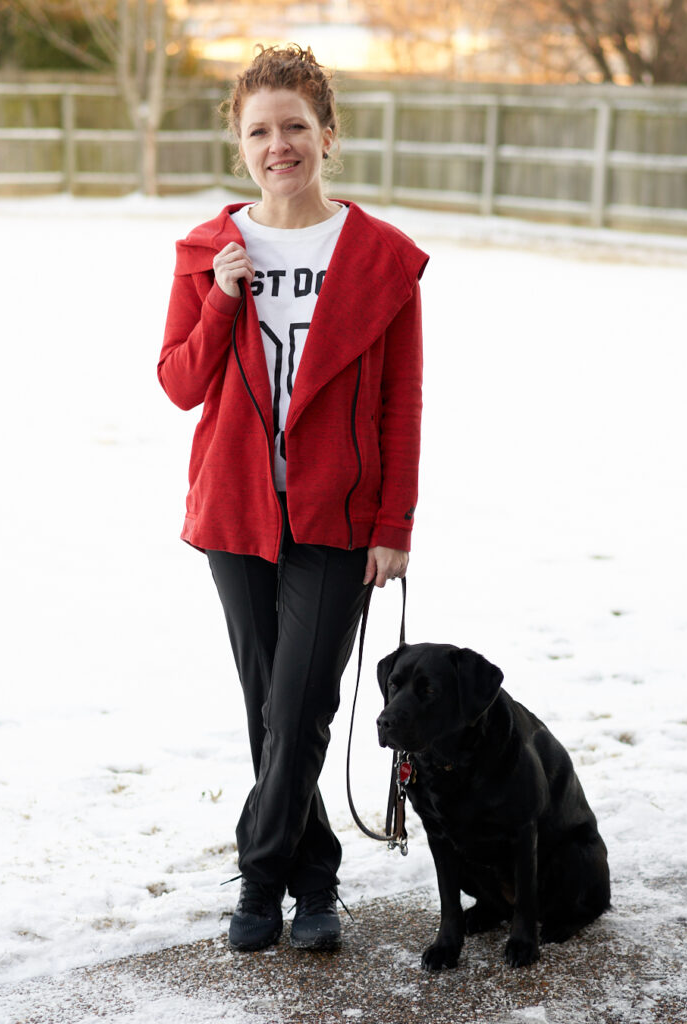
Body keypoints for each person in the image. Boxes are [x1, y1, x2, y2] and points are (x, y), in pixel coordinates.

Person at [157, 44, 427, 955]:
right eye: (260, 130)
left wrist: (395, 524)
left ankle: (260, 875)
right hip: (234, 511)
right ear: (239, 144)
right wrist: (223, 303)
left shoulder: (380, 259)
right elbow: (179, 383)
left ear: (327, 136)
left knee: (301, 705)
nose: (280, 145)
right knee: (267, 710)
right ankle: (313, 886)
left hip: (336, 515)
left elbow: (401, 398)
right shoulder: (208, 251)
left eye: (296, 127)